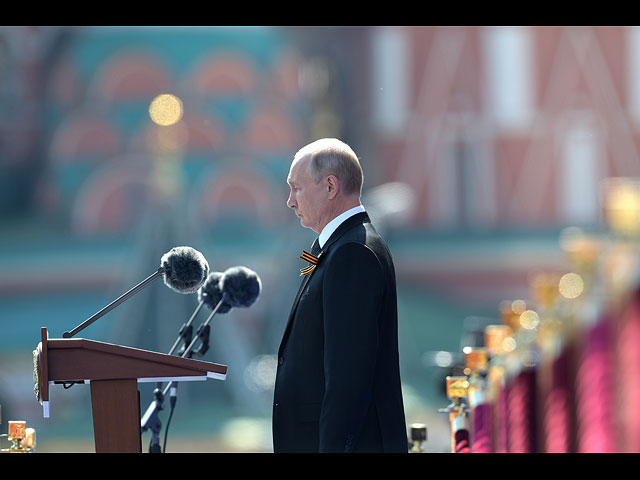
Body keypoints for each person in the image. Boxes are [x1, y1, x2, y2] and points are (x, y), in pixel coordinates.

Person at [272, 138, 407, 453]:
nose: (290, 201)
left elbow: (349, 377)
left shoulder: (352, 253)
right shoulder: (342, 247)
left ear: (330, 186)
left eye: (297, 188)